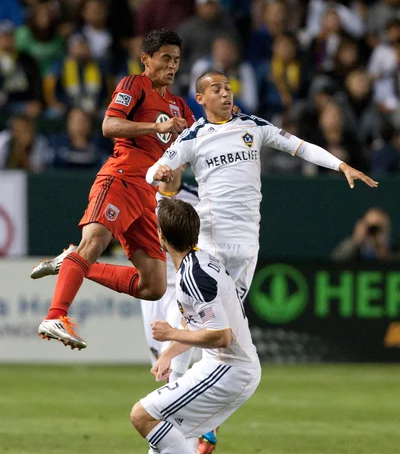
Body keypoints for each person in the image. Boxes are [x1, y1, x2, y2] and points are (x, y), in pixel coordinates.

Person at [146, 69, 378, 301]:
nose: (226, 94)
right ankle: (175, 333)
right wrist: (160, 172)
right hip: (212, 237)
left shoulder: (253, 126)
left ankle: (180, 333)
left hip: (248, 239)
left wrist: (340, 165)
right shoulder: (193, 136)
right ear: (201, 99)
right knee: (211, 316)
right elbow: (151, 173)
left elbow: (301, 147)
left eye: (228, 88)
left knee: (227, 325)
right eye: (217, 90)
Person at [36, 29, 195, 349]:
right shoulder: (134, 85)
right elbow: (109, 125)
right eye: (165, 58)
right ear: (146, 60)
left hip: (146, 197)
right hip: (120, 179)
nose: (172, 66)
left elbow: (194, 148)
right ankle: (55, 315)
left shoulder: (180, 106)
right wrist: (156, 126)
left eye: (176, 60)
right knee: (94, 241)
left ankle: (71, 260)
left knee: (154, 285)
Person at [110, 197, 261, 454]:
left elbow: (220, 336)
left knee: (142, 415)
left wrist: (170, 333)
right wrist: (168, 353)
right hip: (225, 365)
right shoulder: (198, 263)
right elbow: (202, 328)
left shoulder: (194, 277)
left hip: (228, 369)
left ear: (161, 237)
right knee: (162, 429)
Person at [140, 164, 199, 378]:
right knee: (159, 366)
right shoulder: (141, 198)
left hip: (182, 286)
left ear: (184, 163)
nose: (167, 165)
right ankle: (174, 408)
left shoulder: (198, 199)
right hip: (150, 288)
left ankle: (177, 409)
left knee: (174, 363)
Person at [331, 207, 400, 262]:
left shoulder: (395, 251)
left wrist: (384, 252)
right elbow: (335, 264)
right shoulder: (355, 251)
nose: (374, 231)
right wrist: (356, 241)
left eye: (378, 228)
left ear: (387, 228)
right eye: (371, 228)